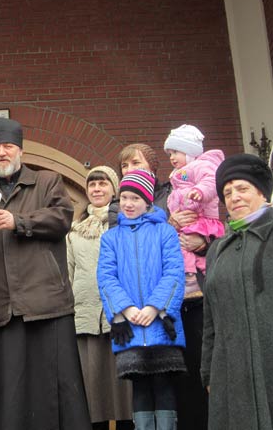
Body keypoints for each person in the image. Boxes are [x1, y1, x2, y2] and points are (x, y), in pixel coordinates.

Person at [0, 117, 91, 430]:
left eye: (8, 146)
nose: (1, 153)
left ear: (20, 150)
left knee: (56, 392)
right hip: (4, 309)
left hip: (47, 304)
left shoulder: (48, 182)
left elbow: (61, 218)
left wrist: (18, 221)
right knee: (10, 396)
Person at [118, 143, 209, 430]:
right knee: (157, 378)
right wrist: (168, 223)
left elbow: (208, 220)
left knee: (193, 370)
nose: (130, 169)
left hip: (191, 295)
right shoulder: (122, 204)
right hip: (149, 305)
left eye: (135, 162)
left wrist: (203, 240)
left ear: (153, 166)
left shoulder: (177, 188)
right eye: (124, 166)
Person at [97, 169, 186, 429]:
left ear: (147, 201)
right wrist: (123, 310)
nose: (128, 203)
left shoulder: (165, 232)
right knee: (140, 388)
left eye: (135, 198)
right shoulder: (111, 238)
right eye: (124, 197)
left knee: (164, 384)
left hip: (160, 323)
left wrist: (155, 307)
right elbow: (106, 277)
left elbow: (173, 273)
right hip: (131, 324)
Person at [201, 154, 273, 430]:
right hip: (230, 370)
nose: (234, 198)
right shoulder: (218, 250)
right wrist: (208, 371)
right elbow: (210, 319)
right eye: (227, 193)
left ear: (262, 192)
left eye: (242, 189)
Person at [66, 165, 133, 430]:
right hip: (85, 315)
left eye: (102, 184)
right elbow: (68, 274)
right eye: (92, 185)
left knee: (125, 388)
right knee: (93, 391)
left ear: (114, 189)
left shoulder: (125, 224)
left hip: (122, 316)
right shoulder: (74, 231)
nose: (96, 189)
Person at [163, 124, 225, 299]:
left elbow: (211, 180)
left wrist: (199, 192)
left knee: (191, 250)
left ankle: (194, 279)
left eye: (176, 152)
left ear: (189, 151)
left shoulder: (200, 165)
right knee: (183, 247)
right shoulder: (181, 172)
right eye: (170, 154)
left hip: (202, 220)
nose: (172, 157)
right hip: (189, 221)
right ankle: (191, 278)